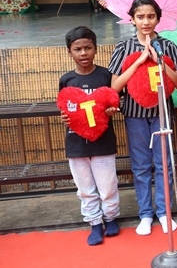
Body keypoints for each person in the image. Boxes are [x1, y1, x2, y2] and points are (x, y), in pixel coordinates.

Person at [108, 0, 177, 236]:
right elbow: (115, 86)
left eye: (151, 16)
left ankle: (164, 212)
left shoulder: (168, 46)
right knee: (140, 166)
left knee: (163, 164)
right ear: (132, 19)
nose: (146, 21)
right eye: (140, 17)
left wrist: (159, 61)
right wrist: (139, 61)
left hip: (162, 113)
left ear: (158, 19)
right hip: (135, 114)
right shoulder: (124, 47)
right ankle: (146, 214)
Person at [59, 26, 120, 245]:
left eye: (88, 48)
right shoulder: (66, 80)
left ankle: (111, 218)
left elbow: (114, 101)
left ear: (95, 49)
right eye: (77, 49)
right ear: (69, 52)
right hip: (76, 143)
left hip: (103, 141)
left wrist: (112, 110)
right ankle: (94, 223)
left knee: (108, 184)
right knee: (84, 187)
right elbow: (65, 106)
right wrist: (65, 117)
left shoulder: (105, 76)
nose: (83, 53)